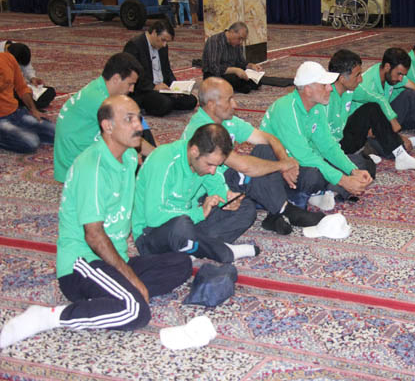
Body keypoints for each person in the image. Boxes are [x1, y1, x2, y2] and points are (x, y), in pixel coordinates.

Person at [0, 96, 192, 349]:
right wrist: (132, 279)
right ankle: (49, 316)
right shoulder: (92, 166)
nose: (139, 126)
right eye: (129, 119)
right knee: (135, 312)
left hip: (115, 259)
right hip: (82, 263)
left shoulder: (129, 157)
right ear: (107, 126)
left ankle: (113, 295)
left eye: (138, 118)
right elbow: (93, 236)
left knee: (181, 264)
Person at [181, 77, 324, 234]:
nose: (235, 104)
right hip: (210, 188)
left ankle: (275, 213)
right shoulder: (202, 130)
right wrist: (283, 165)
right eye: (229, 100)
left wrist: (285, 161)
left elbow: (268, 138)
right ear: (211, 105)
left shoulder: (227, 120)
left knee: (267, 153)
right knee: (251, 178)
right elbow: (243, 166)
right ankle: (286, 209)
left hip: (231, 180)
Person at [133, 123, 260, 264]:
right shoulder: (163, 160)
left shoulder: (203, 161)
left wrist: (228, 199)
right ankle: (223, 251)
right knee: (181, 227)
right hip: (152, 233)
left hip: (189, 221)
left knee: (246, 208)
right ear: (194, 151)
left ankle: (194, 247)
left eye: (217, 165)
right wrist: (199, 213)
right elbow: (154, 216)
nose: (213, 170)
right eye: (210, 164)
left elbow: (217, 186)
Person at [260, 61, 373, 202]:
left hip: (307, 158)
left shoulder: (317, 106)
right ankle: (320, 192)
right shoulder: (286, 109)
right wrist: (343, 180)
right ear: (308, 90)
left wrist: (353, 170)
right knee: (313, 176)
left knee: (361, 164)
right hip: (281, 166)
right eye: (324, 85)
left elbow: (328, 146)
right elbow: (304, 157)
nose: (330, 88)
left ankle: (327, 191)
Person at [54, 53, 154, 182]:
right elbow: (129, 137)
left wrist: (156, 148)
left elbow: (140, 126)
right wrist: (158, 155)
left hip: (82, 155)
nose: (132, 89)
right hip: (78, 168)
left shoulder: (99, 87)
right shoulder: (101, 100)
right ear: (116, 78)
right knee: (134, 159)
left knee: (138, 126)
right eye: (130, 84)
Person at [326, 49, 415, 170]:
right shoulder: (325, 97)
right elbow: (322, 138)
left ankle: (401, 156)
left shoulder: (351, 89)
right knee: (368, 168)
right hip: (331, 147)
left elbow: (377, 98)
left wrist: (392, 119)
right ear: (342, 79)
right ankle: (361, 155)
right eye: (357, 75)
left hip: (345, 138)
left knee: (372, 108)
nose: (361, 80)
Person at [123, 20, 197, 117]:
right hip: (144, 90)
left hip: (163, 89)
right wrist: (153, 87)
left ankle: (167, 101)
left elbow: (167, 70)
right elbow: (132, 76)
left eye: (166, 41)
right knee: (164, 104)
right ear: (154, 33)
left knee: (191, 100)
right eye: (163, 40)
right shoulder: (135, 45)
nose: (164, 44)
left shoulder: (163, 47)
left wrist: (175, 87)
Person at [0, 46, 55, 153]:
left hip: (16, 113)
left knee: (57, 133)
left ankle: (19, 132)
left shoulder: (8, 58)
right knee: (31, 142)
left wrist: (33, 110)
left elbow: (22, 88)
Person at [202, 21, 262, 94]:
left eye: (243, 40)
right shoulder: (215, 41)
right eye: (240, 38)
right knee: (236, 81)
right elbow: (214, 68)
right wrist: (234, 70)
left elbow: (240, 61)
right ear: (232, 32)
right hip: (214, 74)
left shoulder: (237, 43)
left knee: (257, 82)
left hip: (231, 73)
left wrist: (250, 66)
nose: (241, 42)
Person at [1, 41, 56, 109]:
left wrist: (32, 78)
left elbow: (26, 67)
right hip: (4, 90)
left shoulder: (18, 49)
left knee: (50, 91)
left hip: (16, 87)